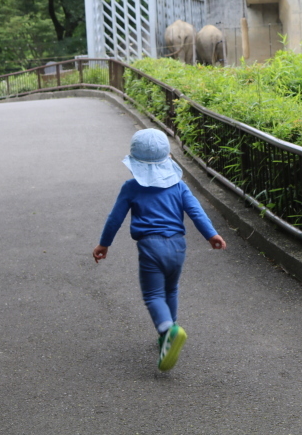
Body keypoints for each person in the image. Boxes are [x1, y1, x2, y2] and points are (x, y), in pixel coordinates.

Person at [93, 128, 226, 371]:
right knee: (170, 288)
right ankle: (170, 331)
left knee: (153, 295)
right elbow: (196, 211)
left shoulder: (131, 188)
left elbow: (115, 219)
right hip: (177, 246)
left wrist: (104, 244)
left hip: (150, 246)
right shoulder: (179, 186)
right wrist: (211, 235)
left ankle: (167, 330)